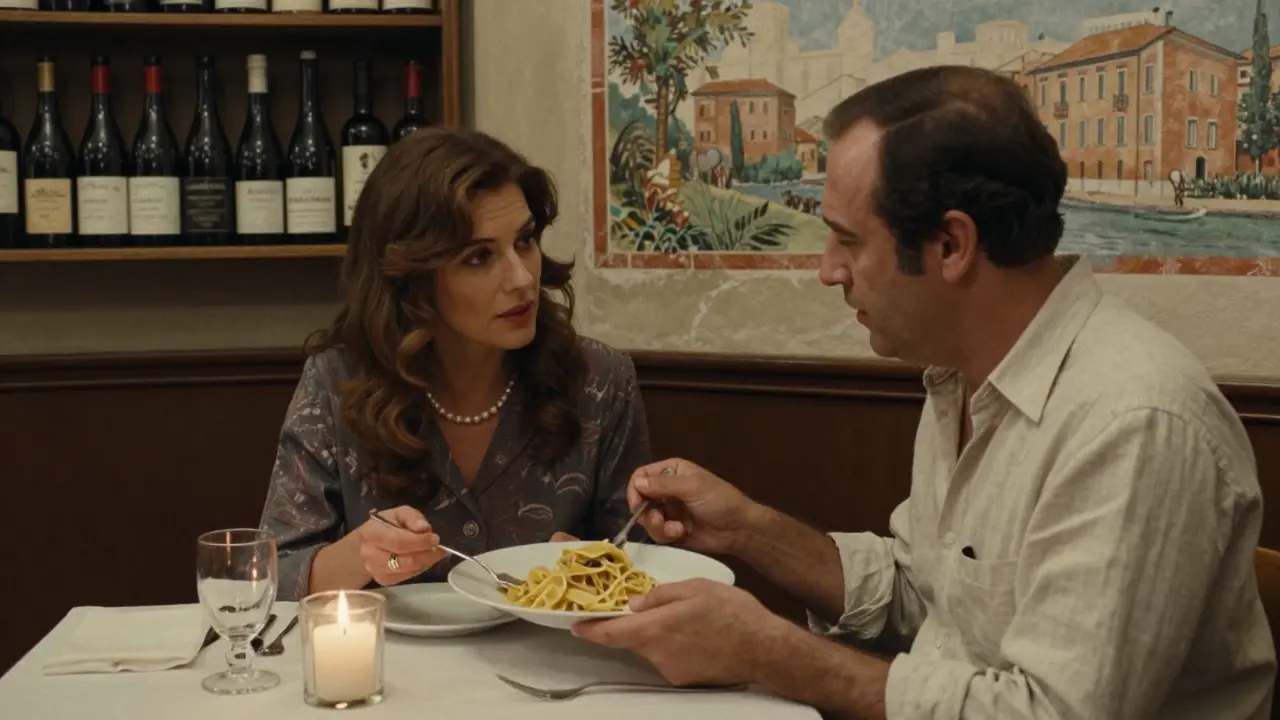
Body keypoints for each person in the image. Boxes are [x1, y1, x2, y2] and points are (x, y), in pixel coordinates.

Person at [571, 65, 1276, 719]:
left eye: (848, 240)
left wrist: (769, 652)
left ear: (951, 246)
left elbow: (1050, 713)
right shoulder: (960, 374)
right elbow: (926, 593)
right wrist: (746, 529)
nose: (828, 270)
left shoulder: (1134, 421)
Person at [259, 127, 651, 601]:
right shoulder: (337, 384)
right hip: (387, 649)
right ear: (411, 277)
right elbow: (270, 580)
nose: (522, 278)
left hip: (551, 649)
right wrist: (360, 555)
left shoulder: (599, 380)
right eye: (479, 257)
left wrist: (594, 568)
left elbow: (645, 570)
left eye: (525, 240)